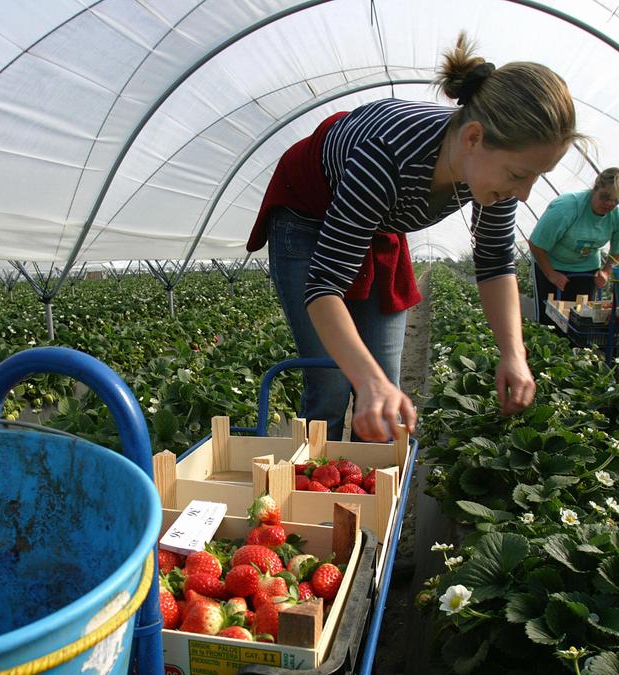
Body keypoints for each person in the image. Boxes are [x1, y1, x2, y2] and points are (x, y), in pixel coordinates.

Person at [246, 32, 586, 442]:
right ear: (473, 137)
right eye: (519, 175)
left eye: (536, 176)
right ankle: (313, 490)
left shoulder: (495, 175)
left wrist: (514, 354)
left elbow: (495, 262)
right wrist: (366, 381)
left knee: (384, 380)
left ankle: (368, 497)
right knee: (331, 380)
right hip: (307, 219)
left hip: (378, 226)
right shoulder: (387, 155)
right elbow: (324, 285)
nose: (525, 192)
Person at [530, 167, 619, 324]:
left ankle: (578, 348)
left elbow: (618, 250)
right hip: (551, 263)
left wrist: (606, 272)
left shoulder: (618, 216)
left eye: (616, 200)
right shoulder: (567, 207)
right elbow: (537, 244)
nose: (610, 203)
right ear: (595, 188)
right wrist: (551, 274)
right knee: (549, 318)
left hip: (586, 268)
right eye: (605, 197)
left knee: (582, 318)